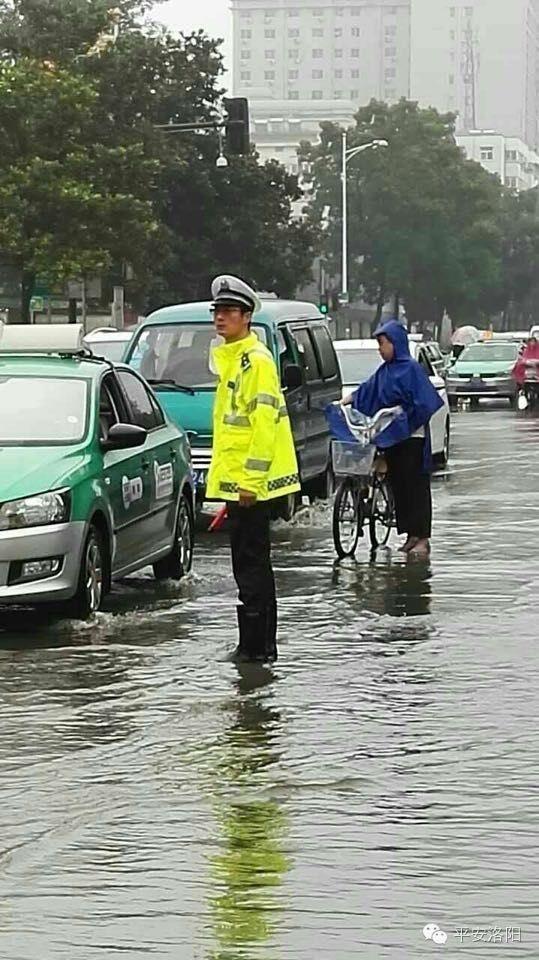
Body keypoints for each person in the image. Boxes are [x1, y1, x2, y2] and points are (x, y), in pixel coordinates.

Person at [206, 275, 300, 661]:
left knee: (251, 567)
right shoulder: (233, 360)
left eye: (229, 311)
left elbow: (263, 427)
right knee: (249, 565)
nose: (220, 318)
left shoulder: (255, 362)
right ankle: (258, 644)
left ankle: (256, 648)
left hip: (251, 487)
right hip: (239, 486)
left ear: (247, 317)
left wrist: (249, 482)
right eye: (217, 311)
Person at [344, 320, 444, 556]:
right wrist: (348, 400)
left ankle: (422, 537)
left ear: (395, 343)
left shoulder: (411, 369)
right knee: (398, 485)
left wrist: (404, 418)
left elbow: (423, 403)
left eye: (383, 343)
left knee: (415, 485)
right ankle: (410, 534)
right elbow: (368, 390)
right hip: (391, 436)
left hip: (412, 436)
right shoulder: (385, 372)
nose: (380, 349)